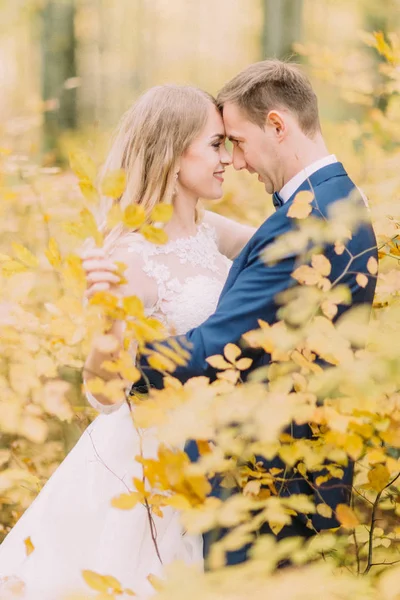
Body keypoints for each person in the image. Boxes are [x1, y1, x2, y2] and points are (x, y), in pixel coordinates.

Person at [0, 85, 256, 599]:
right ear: (172, 151)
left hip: (216, 445)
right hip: (148, 461)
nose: (227, 159)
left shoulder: (210, 231)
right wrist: (113, 327)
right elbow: (103, 394)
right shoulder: (125, 256)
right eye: (214, 145)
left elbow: (281, 249)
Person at [125, 60, 377, 564]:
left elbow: (211, 349)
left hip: (273, 482)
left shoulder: (303, 224)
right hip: (297, 469)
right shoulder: (338, 199)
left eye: (235, 141)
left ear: (278, 126)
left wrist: (123, 366)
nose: (235, 162)